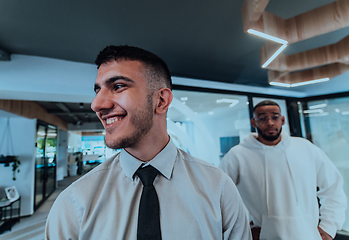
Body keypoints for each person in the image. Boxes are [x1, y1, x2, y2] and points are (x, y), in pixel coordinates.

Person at [45, 45, 251, 239]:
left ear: (161, 101)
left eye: (118, 86)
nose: (96, 104)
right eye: (97, 90)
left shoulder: (219, 188)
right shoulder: (74, 201)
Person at [219, 100, 347, 240]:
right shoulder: (237, 155)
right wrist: (242, 231)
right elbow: (219, 195)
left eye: (275, 117)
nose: (270, 123)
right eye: (262, 118)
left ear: (283, 119)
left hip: (309, 236)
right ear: (253, 122)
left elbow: (333, 187)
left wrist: (328, 227)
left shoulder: (306, 148)